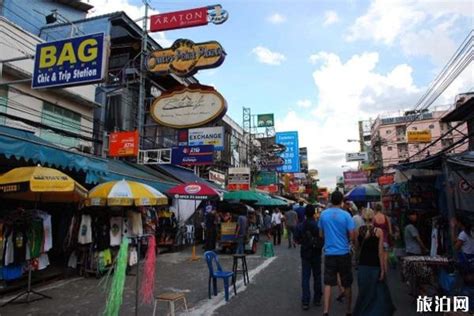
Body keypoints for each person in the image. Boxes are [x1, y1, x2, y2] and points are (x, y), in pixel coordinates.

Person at [318, 191, 355, 316]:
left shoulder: (323, 215)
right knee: (347, 283)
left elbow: (321, 234)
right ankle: (348, 310)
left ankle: (326, 310)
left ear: (330, 200)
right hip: (344, 252)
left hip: (329, 253)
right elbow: (352, 235)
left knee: (328, 283)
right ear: (341, 201)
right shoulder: (346, 215)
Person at [353, 209, 395, 316]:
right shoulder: (379, 232)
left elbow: (357, 247)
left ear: (363, 218)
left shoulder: (358, 230)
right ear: (373, 218)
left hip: (362, 265)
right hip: (374, 265)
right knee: (376, 293)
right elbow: (380, 252)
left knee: (364, 293)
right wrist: (383, 269)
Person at [294, 205, 323, 310]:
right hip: (316, 253)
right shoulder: (318, 225)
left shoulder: (300, 225)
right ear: (314, 213)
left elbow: (296, 240)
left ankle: (306, 301)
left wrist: (304, 242)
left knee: (305, 277)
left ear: (305, 213)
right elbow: (322, 238)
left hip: (305, 253)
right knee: (317, 276)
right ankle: (317, 299)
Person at [373, 203, 392, 269]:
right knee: (385, 258)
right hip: (385, 240)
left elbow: (372, 230)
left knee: (378, 258)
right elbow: (390, 232)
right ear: (381, 209)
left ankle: (380, 273)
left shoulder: (374, 218)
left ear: (375, 209)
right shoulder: (386, 218)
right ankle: (385, 274)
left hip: (376, 241)